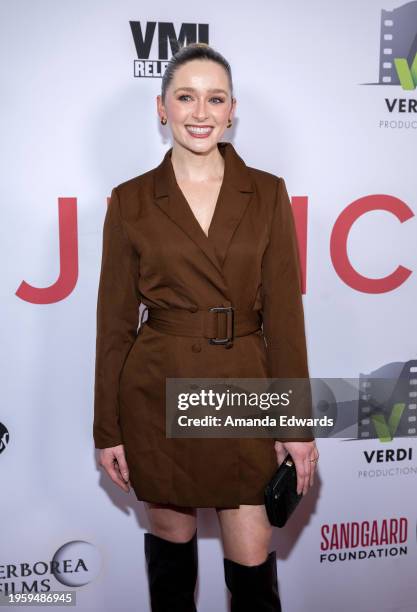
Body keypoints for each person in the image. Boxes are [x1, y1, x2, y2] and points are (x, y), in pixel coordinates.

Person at [93, 42, 319, 612]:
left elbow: (287, 321)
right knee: (172, 579)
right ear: (161, 107)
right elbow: (114, 324)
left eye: (214, 98)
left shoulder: (266, 192)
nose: (200, 112)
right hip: (157, 392)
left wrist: (296, 425)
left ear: (231, 109)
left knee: (253, 579)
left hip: (244, 389)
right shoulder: (131, 201)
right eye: (185, 97)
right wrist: (107, 429)